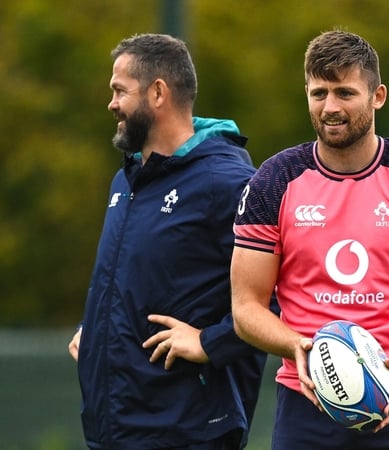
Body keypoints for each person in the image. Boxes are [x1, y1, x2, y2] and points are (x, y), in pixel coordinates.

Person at [230, 30, 389, 449]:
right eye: (319, 93)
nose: (330, 107)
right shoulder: (275, 181)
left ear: (378, 96)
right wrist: (297, 347)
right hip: (306, 403)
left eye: (345, 93)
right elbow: (246, 306)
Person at [67, 33, 271, 450]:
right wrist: (96, 328)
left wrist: (211, 342)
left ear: (158, 93)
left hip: (186, 431)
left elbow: (284, 292)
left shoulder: (227, 183)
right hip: (114, 430)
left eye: (120, 90)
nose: (111, 104)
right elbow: (135, 280)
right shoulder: (126, 179)